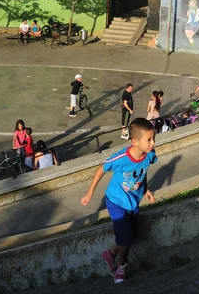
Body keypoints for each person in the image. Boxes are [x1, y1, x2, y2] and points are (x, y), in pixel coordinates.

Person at [81, 118, 157, 284]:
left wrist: (146, 190)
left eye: (153, 139)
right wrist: (89, 193)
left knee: (131, 236)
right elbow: (101, 169)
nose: (153, 143)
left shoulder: (150, 155)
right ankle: (121, 267)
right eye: (149, 140)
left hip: (133, 201)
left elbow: (142, 173)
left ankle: (109, 254)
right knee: (126, 238)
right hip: (115, 201)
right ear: (135, 141)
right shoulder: (121, 158)